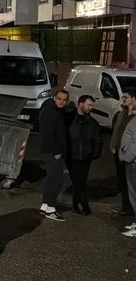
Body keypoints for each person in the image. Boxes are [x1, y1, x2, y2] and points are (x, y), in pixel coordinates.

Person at [39, 89, 71, 221]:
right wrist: (57, 152)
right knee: (57, 180)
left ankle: (45, 205)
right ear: (54, 98)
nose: (62, 102)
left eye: (64, 100)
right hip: (53, 151)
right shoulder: (51, 113)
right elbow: (50, 134)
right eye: (59, 99)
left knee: (51, 178)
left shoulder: (52, 110)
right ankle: (51, 208)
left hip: (50, 150)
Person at [68, 95, 102, 216]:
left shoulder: (92, 123)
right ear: (81, 104)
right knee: (78, 182)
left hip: (86, 157)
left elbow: (98, 139)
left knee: (80, 182)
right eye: (89, 105)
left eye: (92, 105)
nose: (91, 108)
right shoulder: (69, 119)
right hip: (72, 156)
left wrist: (95, 154)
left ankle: (78, 205)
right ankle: (81, 205)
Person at [110, 90, 136, 218]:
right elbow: (117, 130)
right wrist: (113, 145)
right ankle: (126, 208)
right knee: (122, 182)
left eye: (126, 97)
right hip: (119, 153)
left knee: (131, 184)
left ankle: (131, 210)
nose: (123, 99)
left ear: (133, 98)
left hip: (130, 156)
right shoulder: (123, 112)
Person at [117, 89, 136, 238]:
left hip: (133, 162)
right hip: (131, 161)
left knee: (134, 194)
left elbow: (135, 143)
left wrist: (127, 157)